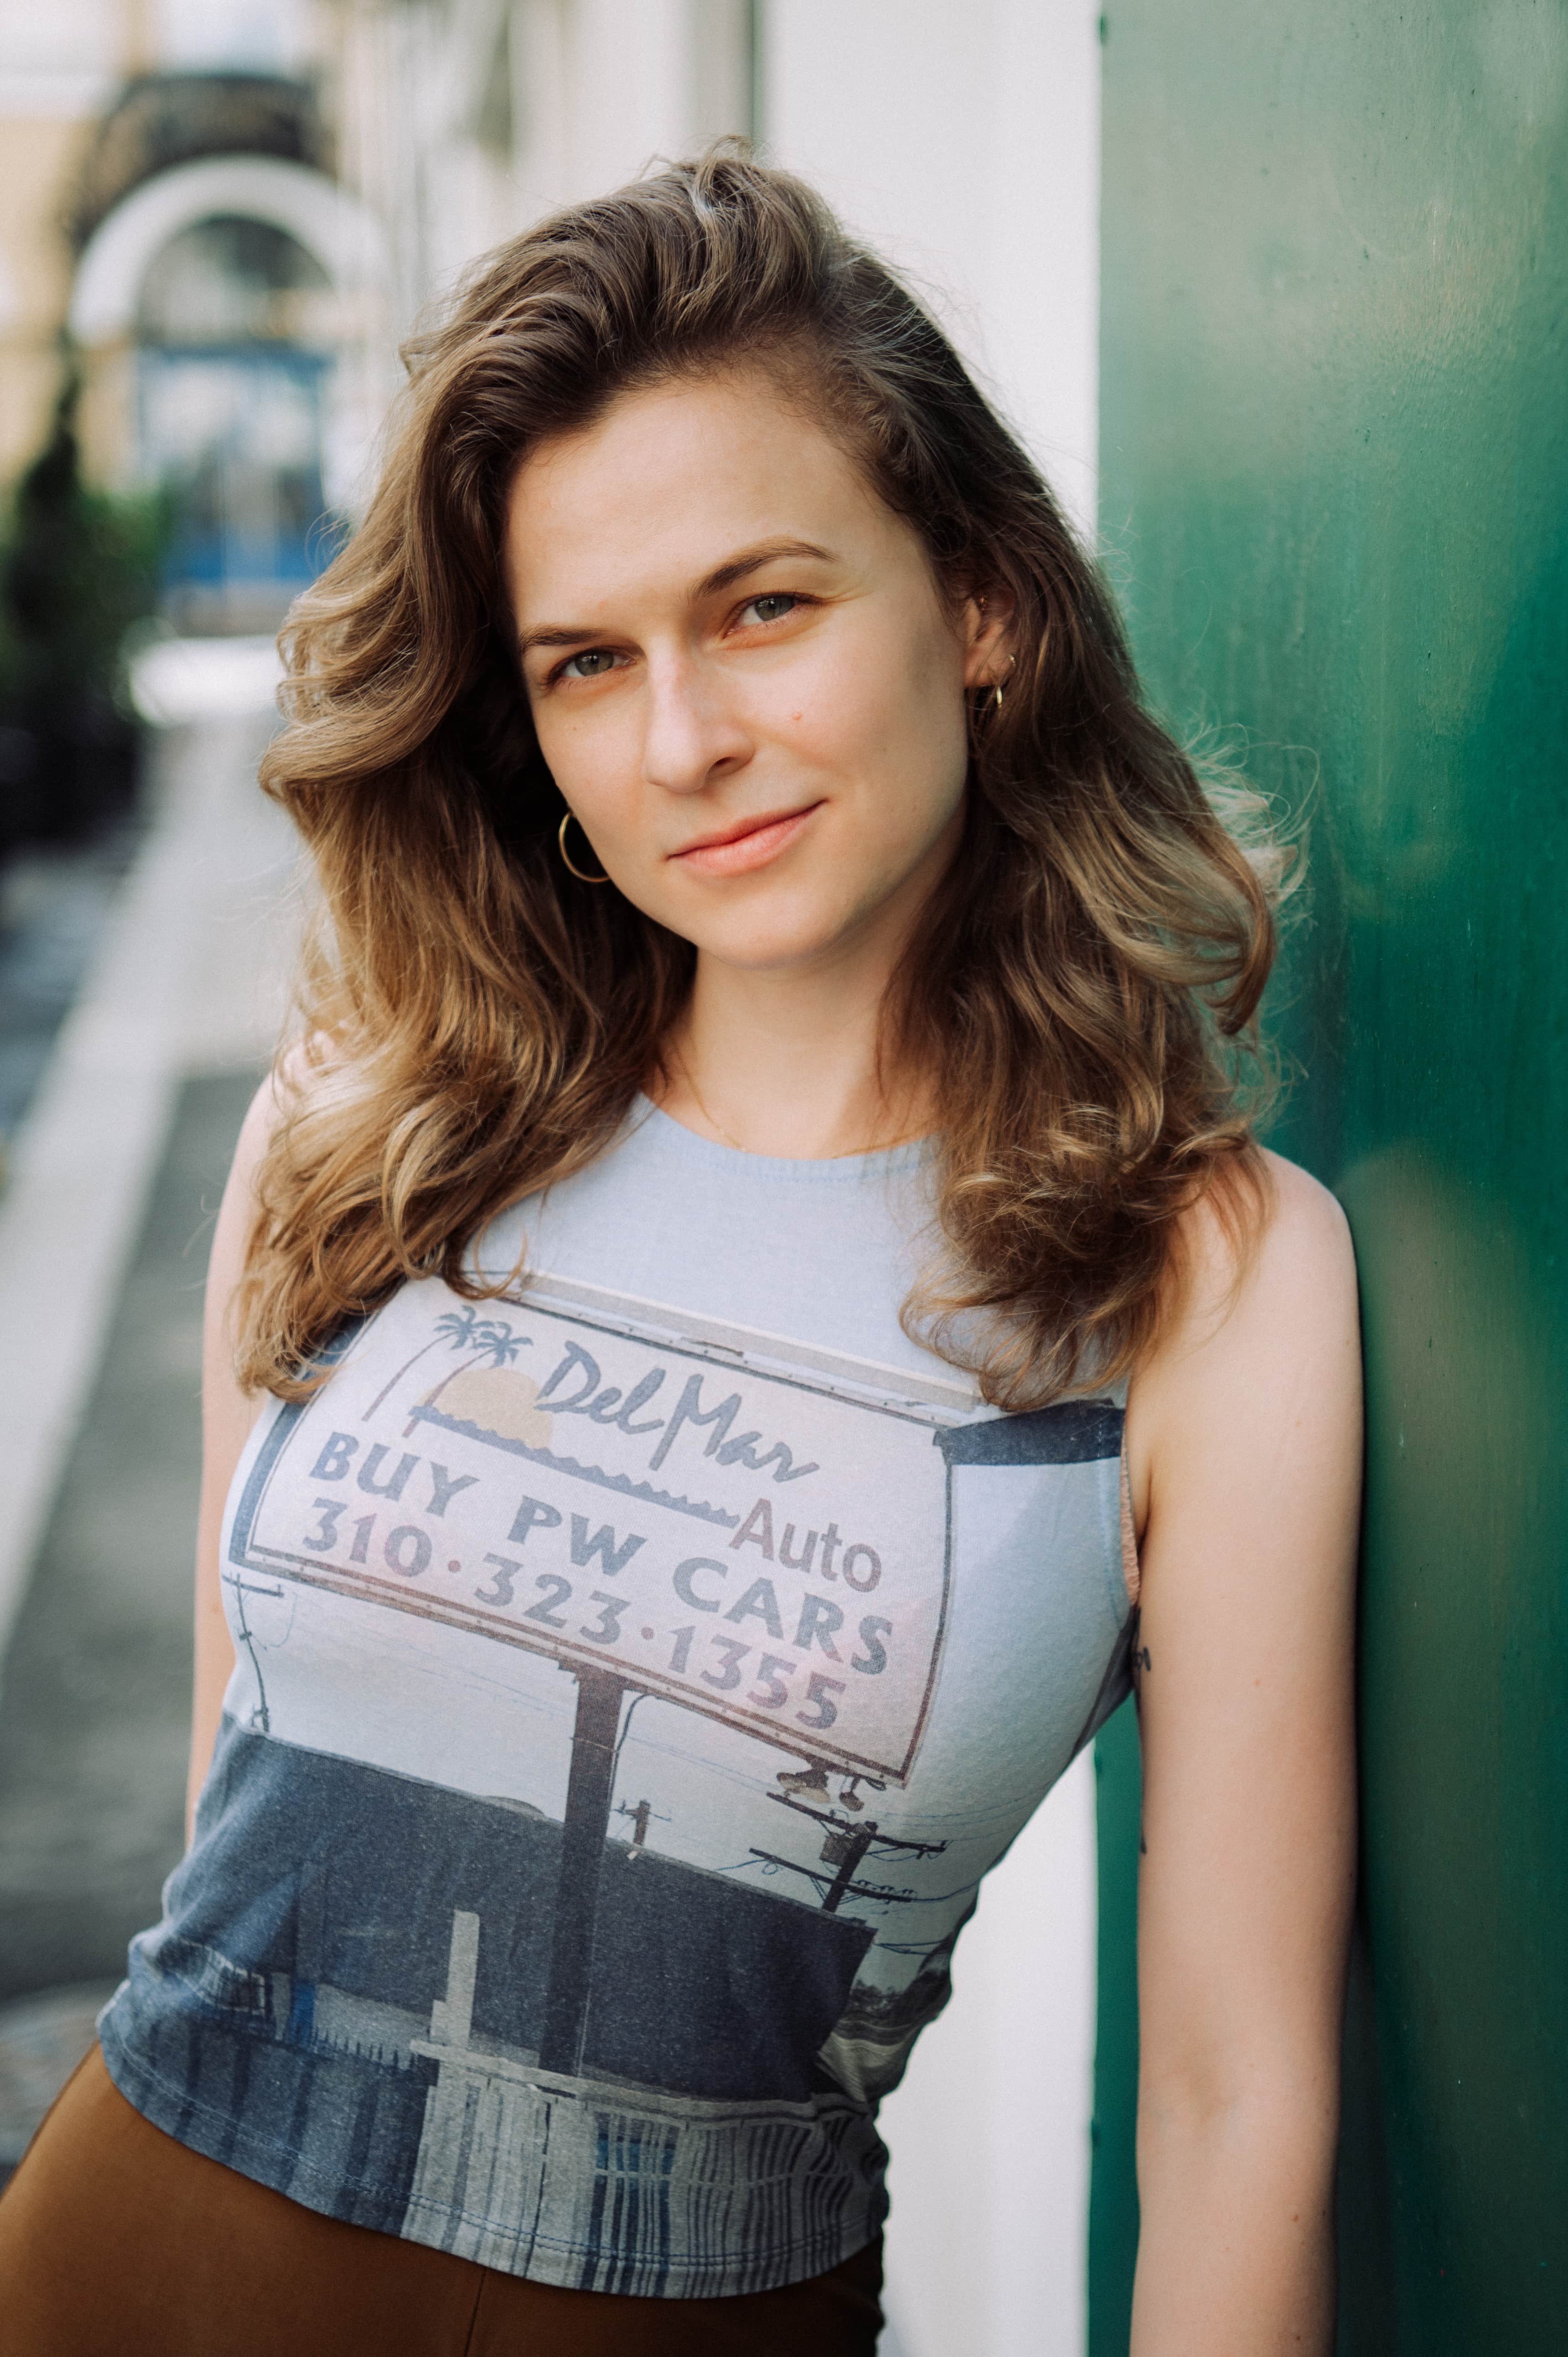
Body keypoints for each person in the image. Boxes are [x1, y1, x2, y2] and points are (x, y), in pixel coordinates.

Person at [0, 152, 1360, 2355]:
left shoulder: (1205, 1279)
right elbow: (226, 1844)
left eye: (763, 607)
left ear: (980, 601)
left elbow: (1229, 2092)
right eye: (581, 660)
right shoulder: (368, 1129)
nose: (682, 740)